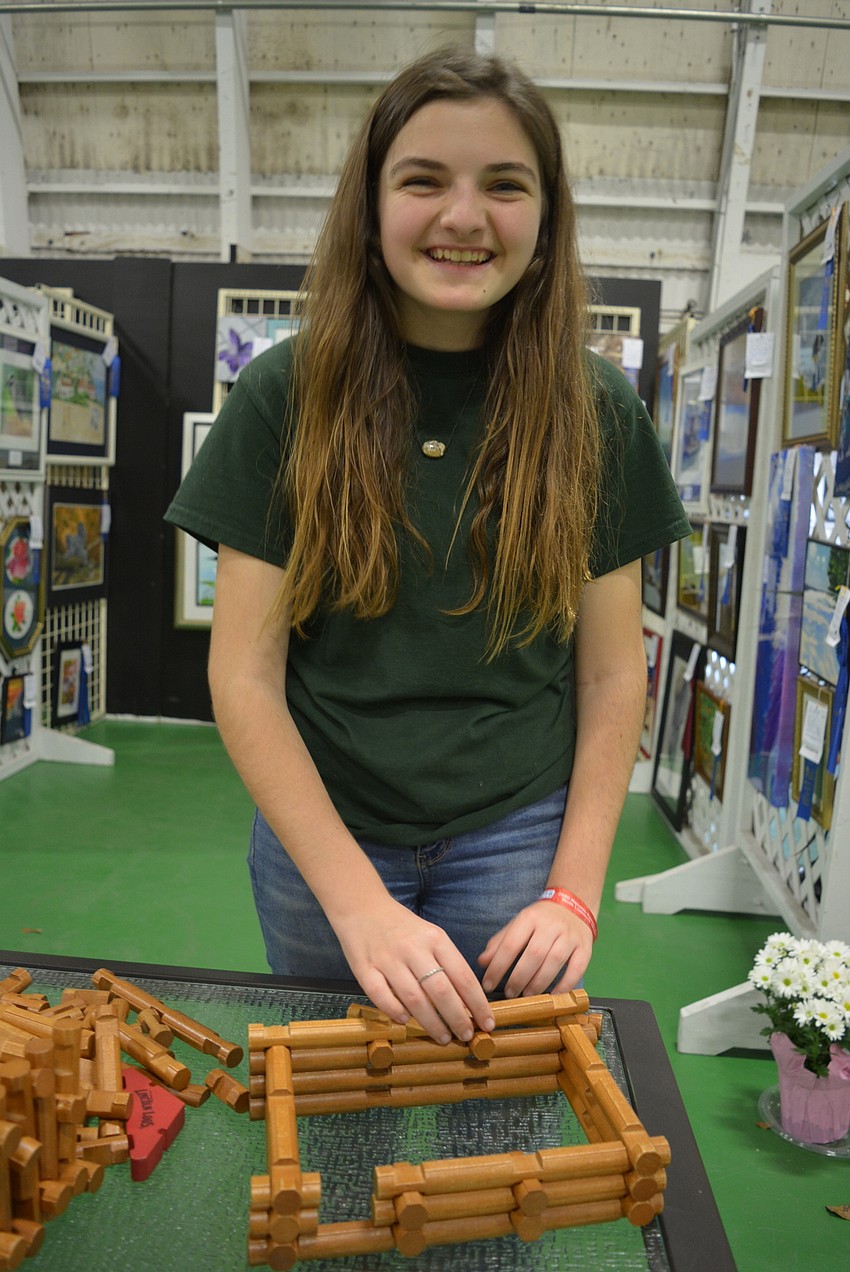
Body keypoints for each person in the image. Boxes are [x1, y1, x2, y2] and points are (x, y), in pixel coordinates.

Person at [166, 46, 690, 1045]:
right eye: (422, 181)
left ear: (545, 215)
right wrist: (357, 903)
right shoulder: (285, 395)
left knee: (494, 1153)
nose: (462, 217)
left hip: (520, 838)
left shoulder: (594, 409)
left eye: (503, 184)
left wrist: (574, 893)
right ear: (370, 208)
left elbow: (614, 675)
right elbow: (244, 673)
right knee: (336, 1124)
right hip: (324, 838)